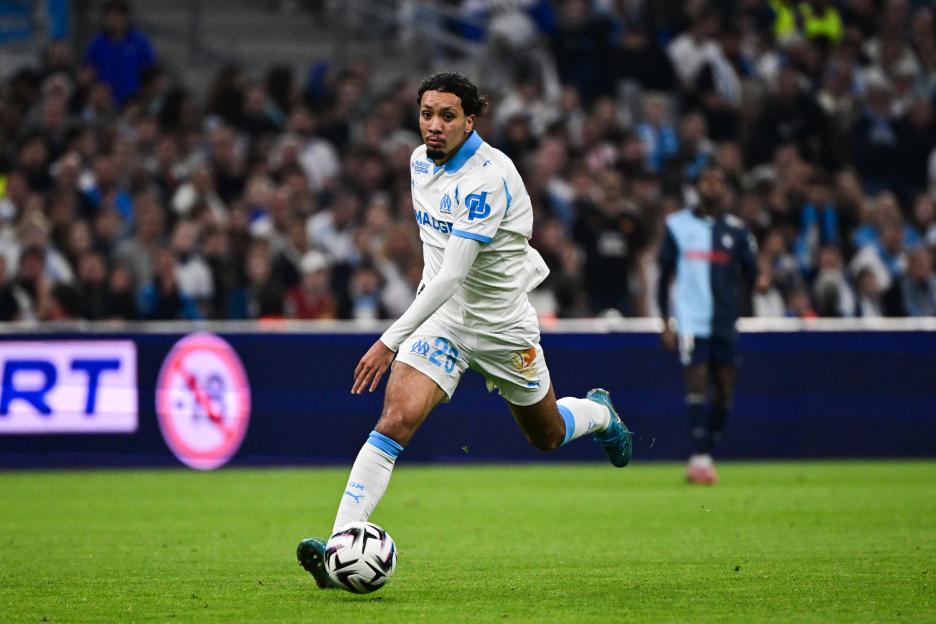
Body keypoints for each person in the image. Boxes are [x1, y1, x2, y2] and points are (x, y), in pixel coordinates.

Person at [297, 72, 632, 589]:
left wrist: (388, 339)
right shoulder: (416, 162)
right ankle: (340, 542)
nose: (434, 125)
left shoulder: (487, 179)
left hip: (501, 326)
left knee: (546, 435)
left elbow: (454, 272)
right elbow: (441, 272)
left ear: (470, 121)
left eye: (447, 115)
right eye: (427, 113)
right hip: (443, 319)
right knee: (396, 417)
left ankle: (598, 413)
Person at [658, 165, 760, 485]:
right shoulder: (677, 226)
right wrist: (666, 320)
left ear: (726, 189)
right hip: (690, 321)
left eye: (719, 181)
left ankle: (702, 454)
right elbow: (664, 277)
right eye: (707, 180)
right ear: (697, 187)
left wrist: (741, 307)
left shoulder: (738, 232)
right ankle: (702, 458)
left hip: (725, 322)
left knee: (725, 393)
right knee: (697, 383)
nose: (713, 186)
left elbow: (752, 275)